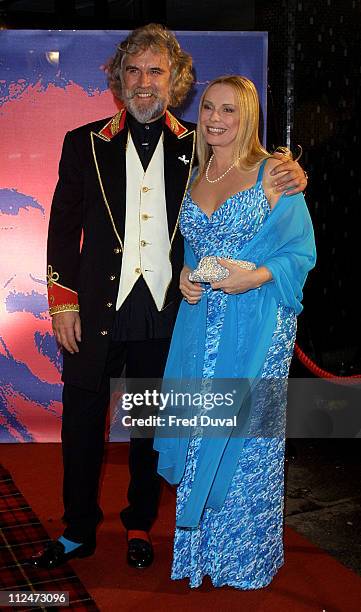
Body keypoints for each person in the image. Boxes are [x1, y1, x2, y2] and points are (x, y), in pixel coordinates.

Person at [31, 25, 308, 571]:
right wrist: (62, 302)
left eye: (155, 71)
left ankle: (139, 524)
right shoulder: (82, 142)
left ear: (175, 81)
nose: (143, 83)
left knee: (150, 427)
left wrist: (291, 172)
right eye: (132, 71)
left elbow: (249, 176)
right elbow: (62, 230)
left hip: (170, 312)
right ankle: (77, 528)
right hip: (94, 309)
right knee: (82, 421)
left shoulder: (198, 144)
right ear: (117, 80)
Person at [154, 75, 316, 589]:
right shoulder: (197, 173)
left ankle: (243, 558)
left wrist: (256, 275)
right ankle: (199, 553)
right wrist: (185, 278)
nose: (217, 119)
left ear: (247, 118)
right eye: (209, 108)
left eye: (230, 110)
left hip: (258, 326)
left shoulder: (273, 174)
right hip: (201, 326)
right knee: (203, 434)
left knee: (247, 441)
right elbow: (193, 252)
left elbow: (301, 252)